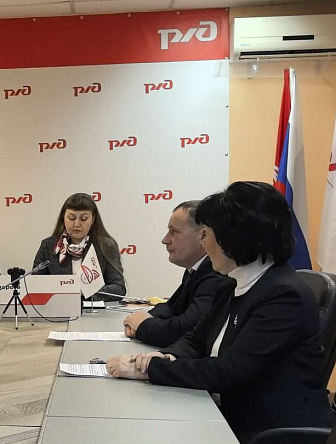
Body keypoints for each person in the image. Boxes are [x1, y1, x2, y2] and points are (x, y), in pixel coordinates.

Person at [107, 182, 334, 442]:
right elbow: (195, 340)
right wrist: (167, 355)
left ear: (233, 237)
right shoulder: (232, 283)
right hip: (225, 414)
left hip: (267, 431)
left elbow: (228, 372)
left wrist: (150, 369)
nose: (204, 244)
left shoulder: (283, 295)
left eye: (206, 234)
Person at [123, 201, 228, 347]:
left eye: (174, 232)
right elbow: (172, 306)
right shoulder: (195, 268)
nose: (165, 240)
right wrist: (145, 316)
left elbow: (186, 329)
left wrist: (142, 326)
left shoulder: (215, 273)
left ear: (203, 235)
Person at [32, 193, 125, 300]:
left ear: (93, 219)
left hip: (94, 308)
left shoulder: (106, 246)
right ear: (63, 217)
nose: (76, 224)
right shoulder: (48, 245)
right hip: (59, 307)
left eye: (83, 219)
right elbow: (35, 285)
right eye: (71, 218)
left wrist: (84, 292)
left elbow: (119, 288)